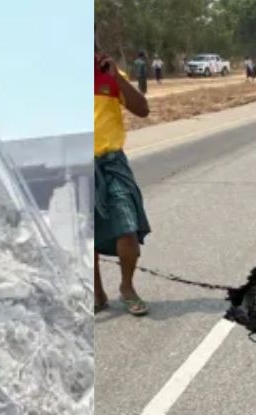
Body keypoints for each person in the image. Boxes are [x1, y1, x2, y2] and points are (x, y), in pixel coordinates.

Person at [94, 49, 152, 317]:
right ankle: (96, 293)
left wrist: (117, 78)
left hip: (112, 162)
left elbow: (142, 109)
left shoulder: (112, 77)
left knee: (127, 228)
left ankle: (127, 287)